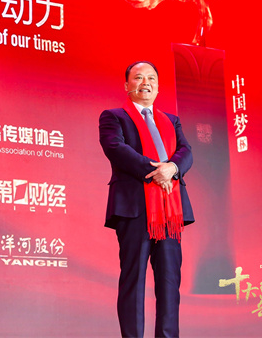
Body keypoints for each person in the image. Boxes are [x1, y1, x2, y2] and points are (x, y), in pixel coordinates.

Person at [99, 61, 194, 338]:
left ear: (158, 86)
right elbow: (116, 148)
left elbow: (186, 151)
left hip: (170, 210)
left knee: (169, 283)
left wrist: (172, 168)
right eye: (138, 78)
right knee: (134, 281)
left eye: (151, 78)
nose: (145, 83)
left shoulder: (172, 121)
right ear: (126, 85)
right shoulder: (114, 117)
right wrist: (156, 172)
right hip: (134, 209)